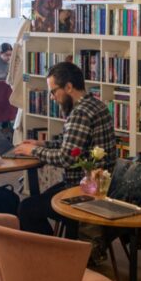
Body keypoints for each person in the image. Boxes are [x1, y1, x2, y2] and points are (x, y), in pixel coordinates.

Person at [15, 62, 116, 235]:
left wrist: (32, 151)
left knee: (27, 209)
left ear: (68, 87)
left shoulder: (80, 113)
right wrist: (41, 144)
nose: (52, 98)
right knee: (37, 202)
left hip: (84, 190)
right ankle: (61, 248)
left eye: (54, 91)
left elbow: (66, 158)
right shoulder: (96, 105)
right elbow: (72, 144)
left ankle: (54, 254)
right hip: (103, 186)